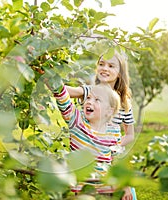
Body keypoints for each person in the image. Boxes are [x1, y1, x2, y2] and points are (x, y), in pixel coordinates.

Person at [66, 50, 137, 199]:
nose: (105, 68)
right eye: (101, 64)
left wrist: (109, 146)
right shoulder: (90, 91)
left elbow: (130, 135)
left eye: (111, 66)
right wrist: (51, 83)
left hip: (110, 160)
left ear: (120, 73)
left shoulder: (124, 104)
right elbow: (66, 91)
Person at [43, 74, 127, 195]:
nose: (89, 102)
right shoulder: (77, 121)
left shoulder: (113, 131)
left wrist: (124, 185)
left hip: (105, 189)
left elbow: (117, 160)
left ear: (109, 111)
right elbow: (64, 100)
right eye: (88, 98)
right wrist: (53, 81)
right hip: (83, 189)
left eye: (97, 100)